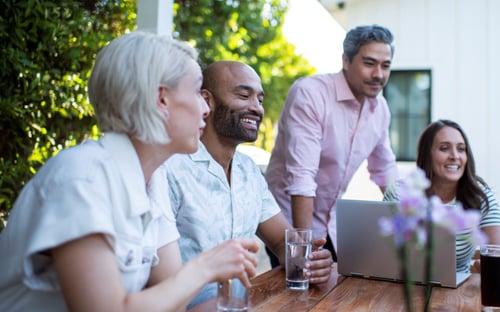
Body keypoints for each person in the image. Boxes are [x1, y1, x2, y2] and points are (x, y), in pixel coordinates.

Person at [0, 32, 259, 311]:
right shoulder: (82, 178)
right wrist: (206, 266)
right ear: (162, 99)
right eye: (197, 92)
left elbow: (170, 301)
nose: (205, 109)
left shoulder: (151, 179)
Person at [163, 60, 334, 308]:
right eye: (244, 95)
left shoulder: (248, 171)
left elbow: (282, 242)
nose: (256, 108)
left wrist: (311, 262)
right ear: (206, 100)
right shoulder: (171, 167)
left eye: (260, 100)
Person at [265, 24, 399, 265]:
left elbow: (384, 170)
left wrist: (409, 227)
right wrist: (303, 255)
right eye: (369, 63)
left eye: (385, 65)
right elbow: (302, 177)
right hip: (285, 221)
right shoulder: (311, 94)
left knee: (338, 293)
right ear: (346, 61)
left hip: (330, 221)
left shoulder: (380, 109)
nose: (379, 74)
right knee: (299, 296)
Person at [384, 119, 500, 272]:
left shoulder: (481, 199)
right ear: (427, 155)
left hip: (458, 291)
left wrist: (485, 268)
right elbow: (385, 251)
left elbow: (495, 254)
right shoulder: (400, 193)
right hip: (405, 285)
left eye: (461, 149)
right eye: (444, 148)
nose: (455, 156)